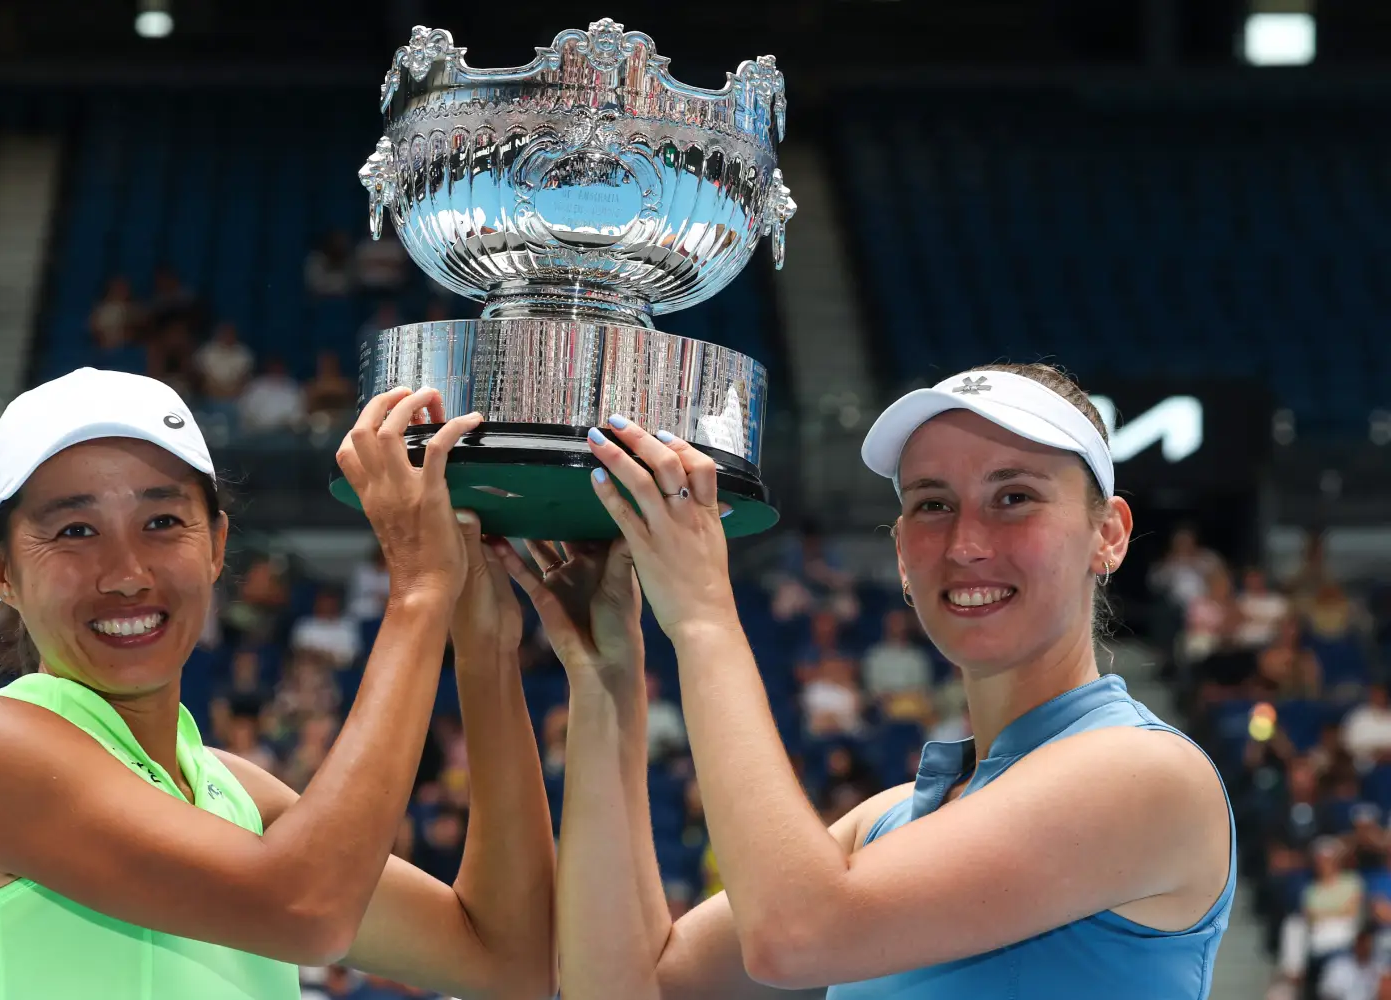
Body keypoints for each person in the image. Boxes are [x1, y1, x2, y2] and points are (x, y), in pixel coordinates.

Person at [520, 363, 1234, 999]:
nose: (967, 543)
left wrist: (705, 616)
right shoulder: (887, 823)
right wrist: (604, 679)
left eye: (1013, 496)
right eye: (932, 503)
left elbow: (794, 935)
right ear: (899, 553)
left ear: (1108, 533)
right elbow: (627, 985)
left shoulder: (1147, 773)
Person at [0, 369, 556, 999]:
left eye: (161, 523)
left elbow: (508, 963)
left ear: (215, 546)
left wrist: (485, 646)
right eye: (75, 531)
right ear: (1, 570)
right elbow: (309, 912)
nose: (127, 573)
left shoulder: (236, 792)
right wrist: (417, 594)